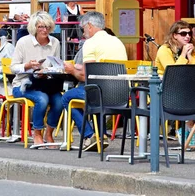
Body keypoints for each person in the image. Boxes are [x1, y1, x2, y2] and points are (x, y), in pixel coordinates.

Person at [62, 11, 127, 151]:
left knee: (67, 97)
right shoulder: (117, 41)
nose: (83, 33)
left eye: (83, 28)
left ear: (90, 26)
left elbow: (86, 76)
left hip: (100, 94)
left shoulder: (91, 43)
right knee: (94, 90)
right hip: (121, 94)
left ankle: (89, 135)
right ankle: (101, 135)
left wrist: (72, 70)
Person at [10, 11, 61, 148]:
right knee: (42, 99)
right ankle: (37, 132)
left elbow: (56, 66)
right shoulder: (23, 42)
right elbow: (13, 68)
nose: (45, 30)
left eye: (47, 27)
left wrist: (48, 71)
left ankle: (49, 133)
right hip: (23, 84)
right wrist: (27, 66)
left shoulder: (55, 42)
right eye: (41, 27)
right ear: (34, 28)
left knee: (60, 101)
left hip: (46, 83)